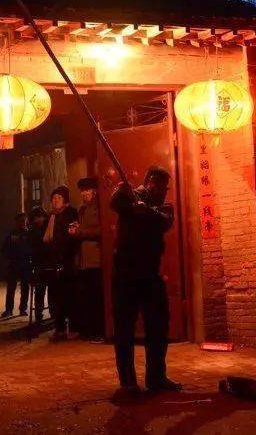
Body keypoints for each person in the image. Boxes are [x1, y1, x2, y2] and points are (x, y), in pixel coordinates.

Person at [109, 167, 181, 394]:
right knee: (124, 329)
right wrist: (127, 191)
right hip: (125, 273)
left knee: (158, 326)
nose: (162, 191)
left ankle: (156, 377)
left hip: (151, 274)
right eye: (158, 185)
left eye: (165, 187)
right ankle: (128, 381)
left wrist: (144, 210)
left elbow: (164, 221)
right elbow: (115, 202)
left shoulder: (164, 207)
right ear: (148, 182)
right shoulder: (130, 196)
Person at [42, 185, 80, 339]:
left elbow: (71, 238)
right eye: (53, 198)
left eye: (58, 198)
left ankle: (74, 327)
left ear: (65, 200)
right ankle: (59, 328)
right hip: (53, 262)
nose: (55, 201)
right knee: (55, 297)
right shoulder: (51, 216)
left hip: (67, 261)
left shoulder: (70, 213)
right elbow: (46, 240)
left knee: (69, 295)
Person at [71, 176, 104, 339]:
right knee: (86, 297)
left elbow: (100, 230)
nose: (84, 194)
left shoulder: (99, 208)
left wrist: (80, 232)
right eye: (82, 191)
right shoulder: (82, 209)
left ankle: (99, 331)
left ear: (94, 191)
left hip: (95, 259)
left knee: (97, 296)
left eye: (87, 190)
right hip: (84, 260)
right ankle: (89, 329)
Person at [1, 213, 31, 317]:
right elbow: (4, 248)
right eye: (21, 221)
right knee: (11, 288)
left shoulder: (29, 234)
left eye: (25, 220)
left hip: (25, 264)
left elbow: (32, 248)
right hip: (13, 263)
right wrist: (9, 258)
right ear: (16, 222)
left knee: (25, 288)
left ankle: (23, 309)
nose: (23, 222)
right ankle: (9, 310)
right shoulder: (11, 234)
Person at [28, 206, 52, 323]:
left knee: (51, 289)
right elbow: (32, 247)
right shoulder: (33, 230)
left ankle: (52, 312)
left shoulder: (48, 226)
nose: (38, 220)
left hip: (48, 261)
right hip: (39, 263)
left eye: (40, 217)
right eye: (36, 218)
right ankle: (39, 313)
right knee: (39, 290)